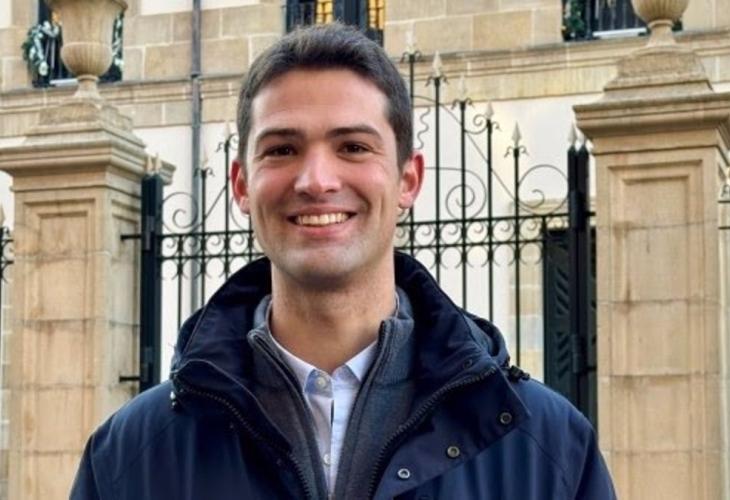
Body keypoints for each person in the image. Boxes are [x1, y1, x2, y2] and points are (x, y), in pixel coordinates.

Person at [71, 23, 616, 500]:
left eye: (353, 146)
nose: (316, 180)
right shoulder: (127, 459)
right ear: (241, 184)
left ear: (408, 180)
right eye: (282, 150)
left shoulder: (549, 450)